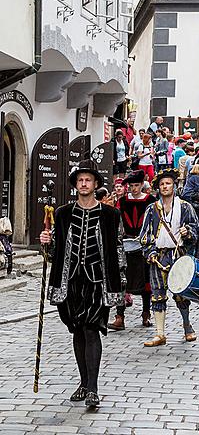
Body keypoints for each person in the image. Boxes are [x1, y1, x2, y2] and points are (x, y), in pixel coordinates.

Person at [39, 160, 126, 408]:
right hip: (71, 281)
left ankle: (94, 388)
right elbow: (54, 251)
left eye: (88, 180)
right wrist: (47, 241)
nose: (84, 183)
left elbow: (118, 250)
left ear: (95, 184)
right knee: (77, 329)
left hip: (99, 281)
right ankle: (84, 382)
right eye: (80, 180)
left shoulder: (111, 215)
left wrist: (120, 282)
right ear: (76, 185)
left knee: (91, 329)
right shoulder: (63, 213)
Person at [140, 168, 199, 346]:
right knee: (157, 294)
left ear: (174, 186)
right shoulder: (152, 209)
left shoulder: (185, 206)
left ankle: (187, 325)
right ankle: (160, 334)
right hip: (159, 256)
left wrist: (187, 232)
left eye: (168, 184)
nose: (165, 186)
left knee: (181, 293)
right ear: (158, 188)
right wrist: (150, 252)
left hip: (178, 254)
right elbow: (144, 234)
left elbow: (196, 228)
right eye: (162, 184)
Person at [108, 170, 156, 331]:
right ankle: (119, 317)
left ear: (142, 185)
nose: (134, 188)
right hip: (126, 243)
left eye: (137, 185)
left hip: (144, 245)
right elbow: (116, 220)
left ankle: (146, 313)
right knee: (122, 280)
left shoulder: (151, 200)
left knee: (146, 282)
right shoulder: (122, 201)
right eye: (131, 185)